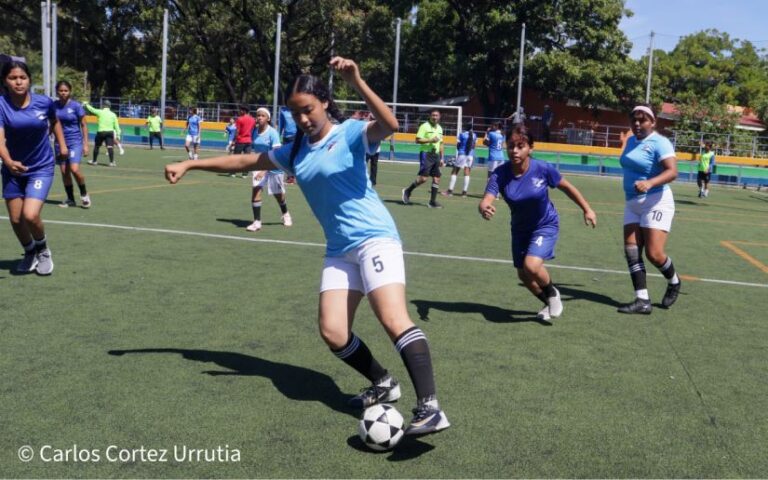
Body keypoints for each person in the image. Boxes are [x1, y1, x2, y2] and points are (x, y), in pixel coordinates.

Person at [165, 57, 450, 437]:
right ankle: (383, 382)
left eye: (308, 109)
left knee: (393, 319)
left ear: (325, 103)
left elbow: (391, 125)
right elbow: (245, 160)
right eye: (295, 112)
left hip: (375, 239)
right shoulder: (295, 151)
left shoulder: (350, 133)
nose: (302, 119)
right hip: (340, 249)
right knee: (333, 331)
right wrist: (190, 165)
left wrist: (357, 80)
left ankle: (431, 408)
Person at [478, 124, 597, 321]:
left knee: (531, 266)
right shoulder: (500, 173)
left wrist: (587, 209)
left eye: (520, 146)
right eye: (511, 146)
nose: (515, 151)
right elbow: (486, 199)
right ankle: (548, 302)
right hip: (519, 230)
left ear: (530, 148)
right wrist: (484, 207)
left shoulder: (542, 168)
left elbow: (567, 187)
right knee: (523, 275)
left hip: (545, 224)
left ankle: (553, 293)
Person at [0, 60, 66, 275]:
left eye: (23, 77)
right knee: (16, 219)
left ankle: (43, 251)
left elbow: (55, 122)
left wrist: (62, 145)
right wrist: (8, 162)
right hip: (12, 169)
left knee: (30, 215)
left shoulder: (44, 102)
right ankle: (30, 252)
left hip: (41, 167)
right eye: (12, 78)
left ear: (29, 80)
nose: (18, 82)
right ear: (5, 81)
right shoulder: (1, 105)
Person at [617, 104, 681, 314]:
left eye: (642, 120)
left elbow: (672, 172)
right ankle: (642, 300)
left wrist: (650, 183)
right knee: (632, 251)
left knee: (654, 254)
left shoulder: (660, 142)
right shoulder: (631, 141)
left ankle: (674, 281)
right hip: (632, 202)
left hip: (655, 200)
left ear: (653, 122)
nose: (637, 124)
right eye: (634, 119)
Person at [246, 107, 292, 232]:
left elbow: (275, 154)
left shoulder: (273, 133)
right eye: (258, 115)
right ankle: (257, 222)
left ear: (268, 118)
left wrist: (264, 170)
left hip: (274, 166)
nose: (260, 117)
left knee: (278, 195)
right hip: (260, 165)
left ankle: (285, 213)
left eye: (263, 116)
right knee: (256, 190)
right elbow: (255, 150)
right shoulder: (254, 131)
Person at [53, 80, 91, 209]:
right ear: (57, 92)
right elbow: (51, 124)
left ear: (70, 91)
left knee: (74, 169)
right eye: (61, 91)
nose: (63, 93)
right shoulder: (53, 106)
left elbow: (84, 125)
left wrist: (86, 144)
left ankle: (84, 194)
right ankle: (70, 199)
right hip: (59, 143)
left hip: (75, 142)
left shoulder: (76, 106)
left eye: (66, 90)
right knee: (65, 172)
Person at [401, 109, 444, 208]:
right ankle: (408, 191)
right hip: (426, 154)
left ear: (439, 117)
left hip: (436, 155)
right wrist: (430, 140)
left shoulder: (440, 128)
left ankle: (432, 202)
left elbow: (441, 143)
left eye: (436, 115)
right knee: (423, 179)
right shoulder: (424, 126)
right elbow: (417, 140)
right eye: (433, 115)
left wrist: (442, 158)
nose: (435, 117)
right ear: (430, 116)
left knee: (437, 178)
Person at [84, 99, 121, 167]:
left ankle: (94, 161)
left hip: (100, 132)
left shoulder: (100, 112)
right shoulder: (113, 114)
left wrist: (86, 104)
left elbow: (92, 109)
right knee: (110, 147)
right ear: (110, 106)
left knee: (97, 146)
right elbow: (117, 126)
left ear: (103, 105)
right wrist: (118, 135)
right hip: (109, 132)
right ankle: (111, 162)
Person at [442, 123, 476, 197]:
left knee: (454, 171)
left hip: (462, 154)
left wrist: (460, 150)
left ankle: (450, 191)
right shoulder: (474, 135)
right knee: (467, 173)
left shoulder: (462, 135)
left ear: (465, 127)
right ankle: (464, 193)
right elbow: (473, 146)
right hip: (471, 155)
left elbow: (458, 145)